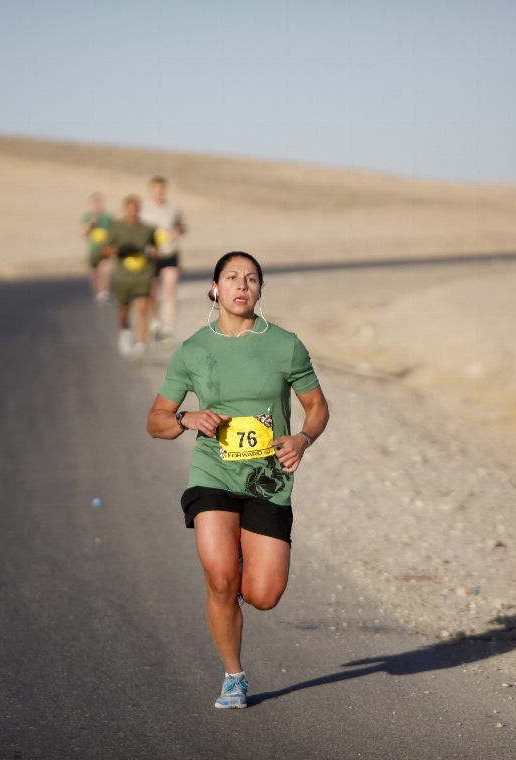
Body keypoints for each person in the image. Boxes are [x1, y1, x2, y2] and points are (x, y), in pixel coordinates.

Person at [146, 251, 330, 708]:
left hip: (268, 478)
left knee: (263, 595)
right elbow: (156, 421)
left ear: (260, 290)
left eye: (251, 278)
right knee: (221, 577)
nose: (241, 285)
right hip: (212, 473)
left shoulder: (284, 345)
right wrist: (188, 419)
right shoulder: (193, 350)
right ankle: (234, 676)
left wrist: (304, 438)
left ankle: (240, 576)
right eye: (231, 277)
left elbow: (318, 407)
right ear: (215, 288)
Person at [101, 195, 157, 362]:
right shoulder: (116, 228)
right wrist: (119, 250)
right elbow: (104, 250)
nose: (134, 210)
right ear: (125, 209)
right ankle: (125, 330)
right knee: (124, 309)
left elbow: (157, 249)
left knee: (141, 308)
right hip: (123, 275)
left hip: (143, 273)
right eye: (131, 207)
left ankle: (141, 347)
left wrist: (153, 253)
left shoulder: (147, 229)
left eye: (137, 207)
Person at [140, 175, 187, 345]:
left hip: (170, 253)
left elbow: (182, 226)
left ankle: (168, 329)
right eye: (155, 189)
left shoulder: (173, 209)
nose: (158, 192)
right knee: (152, 294)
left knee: (170, 290)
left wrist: (178, 231)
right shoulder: (143, 209)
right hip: (150, 256)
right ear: (151, 190)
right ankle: (155, 322)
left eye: (161, 189)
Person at [80, 193, 114, 304]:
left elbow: (115, 233)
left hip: (105, 249)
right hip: (93, 250)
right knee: (94, 274)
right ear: (91, 204)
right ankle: (97, 294)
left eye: (99, 202)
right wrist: (91, 224)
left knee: (105, 270)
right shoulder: (88, 217)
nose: (97, 205)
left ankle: (105, 293)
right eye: (95, 203)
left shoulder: (108, 217)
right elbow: (83, 233)